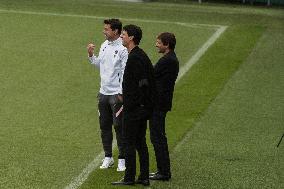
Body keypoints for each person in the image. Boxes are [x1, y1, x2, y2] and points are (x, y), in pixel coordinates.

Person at [112, 24, 155, 186]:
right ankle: (143, 176)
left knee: (129, 142)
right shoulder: (139, 55)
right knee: (140, 142)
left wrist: (132, 103)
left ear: (131, 38)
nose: (121, 36)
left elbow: (143, 84)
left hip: (135, 110)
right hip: (140, 108)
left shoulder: (135, 57)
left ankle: (129, 177)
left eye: (124, 34)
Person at [87, 19, 128, 172]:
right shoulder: (104, 45)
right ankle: (108, 157)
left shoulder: (123, 49)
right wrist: (91, 55)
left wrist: (121, 93)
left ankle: (122, 159)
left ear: (116, 31)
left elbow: (125, 72)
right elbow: (100, 64)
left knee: (119, 126)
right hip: (103, 93)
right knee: (104, 126)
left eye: (107, 29)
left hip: (116, 95)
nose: (104, 31)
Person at [149, 32, 179, 181]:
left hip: (159, 104)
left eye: (159, 42)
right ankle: (162, 170)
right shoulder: (170, 59)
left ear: (166, 45)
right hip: (161, 103)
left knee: (158, 137)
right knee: (157, 137)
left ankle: (164, 172)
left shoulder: (167, 61)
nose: (156, 45)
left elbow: (151, 76)